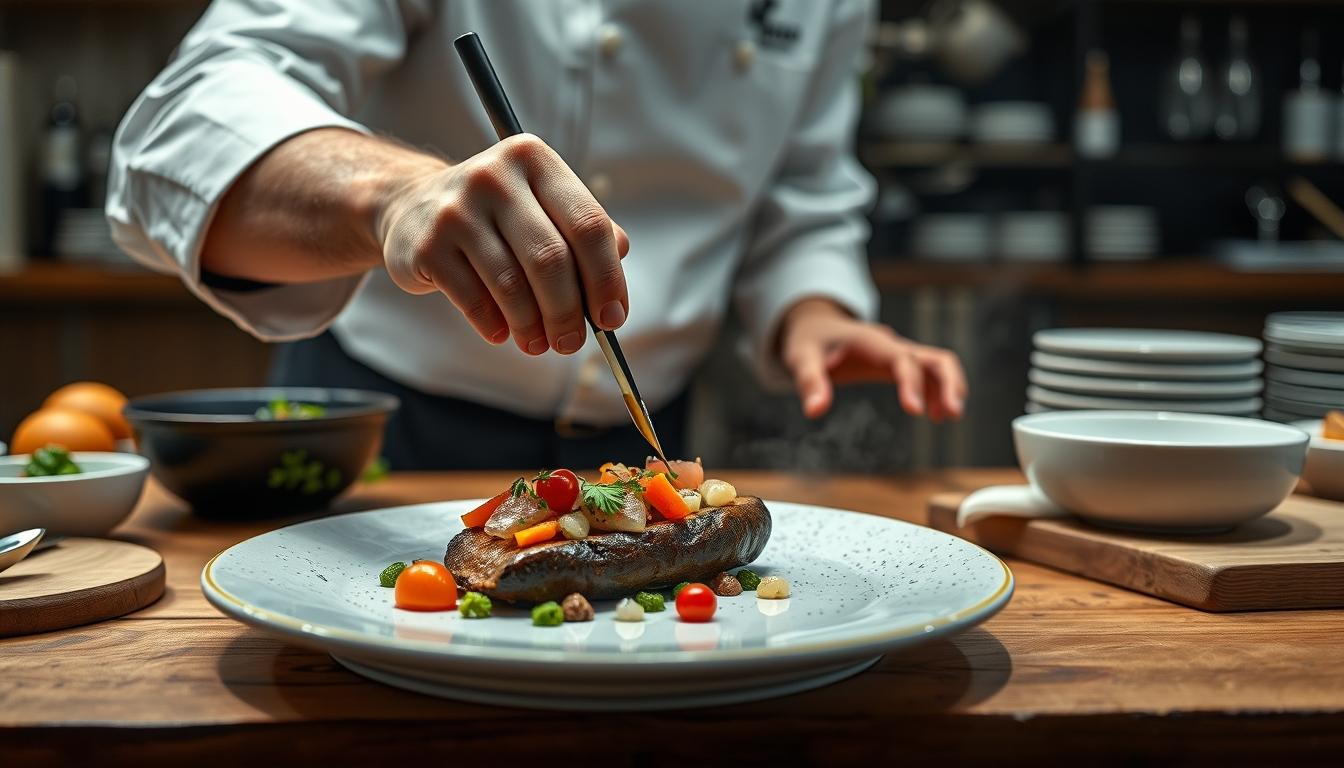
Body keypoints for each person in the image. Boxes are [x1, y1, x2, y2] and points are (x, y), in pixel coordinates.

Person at [107, 0, 966, 470]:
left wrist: (812, 313)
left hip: (646, 440)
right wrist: (395, 196)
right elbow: (182, 129)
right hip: (387, 427)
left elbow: (800, 189)